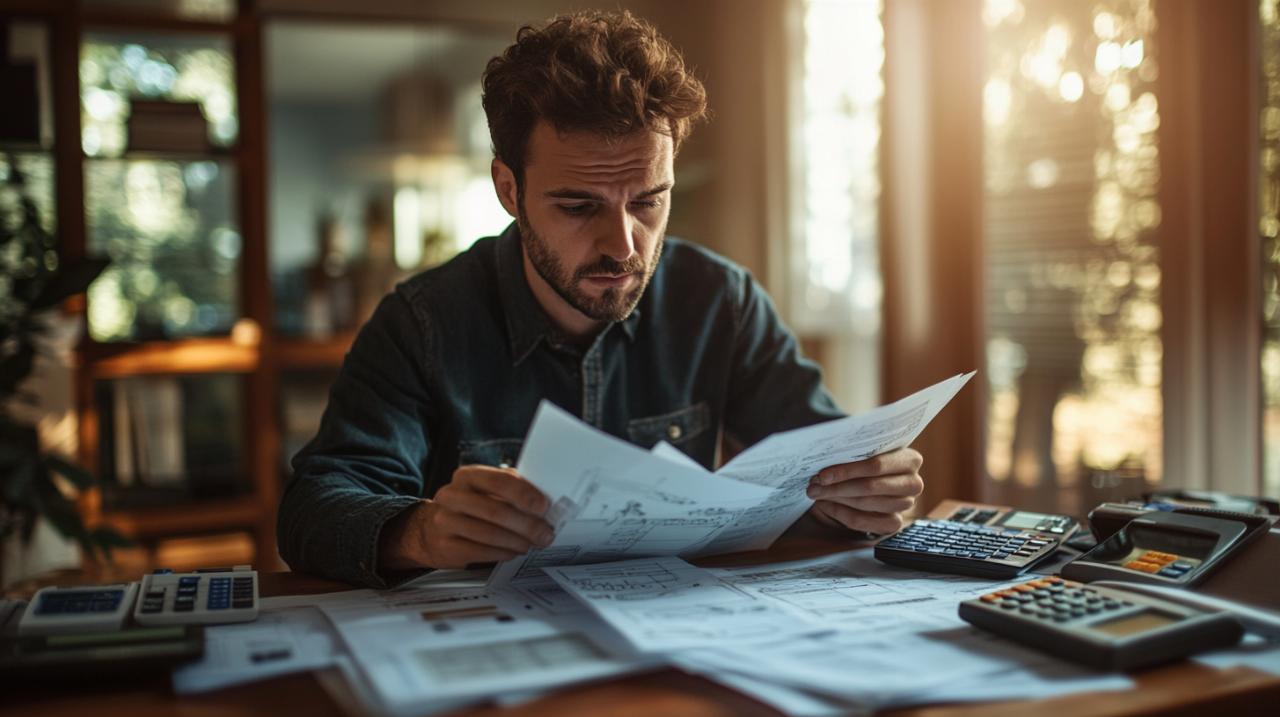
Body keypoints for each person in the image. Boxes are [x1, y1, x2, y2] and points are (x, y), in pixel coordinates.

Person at [278, 9, 924, 588]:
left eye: (648, 201)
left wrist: (863, 496)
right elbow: (312, 510)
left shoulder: (720, 302)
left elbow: (823, 470)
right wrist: (418, 531)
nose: (624, 245)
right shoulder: (421, 323)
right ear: (509, 188)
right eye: (578, 205)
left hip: (675, 643)